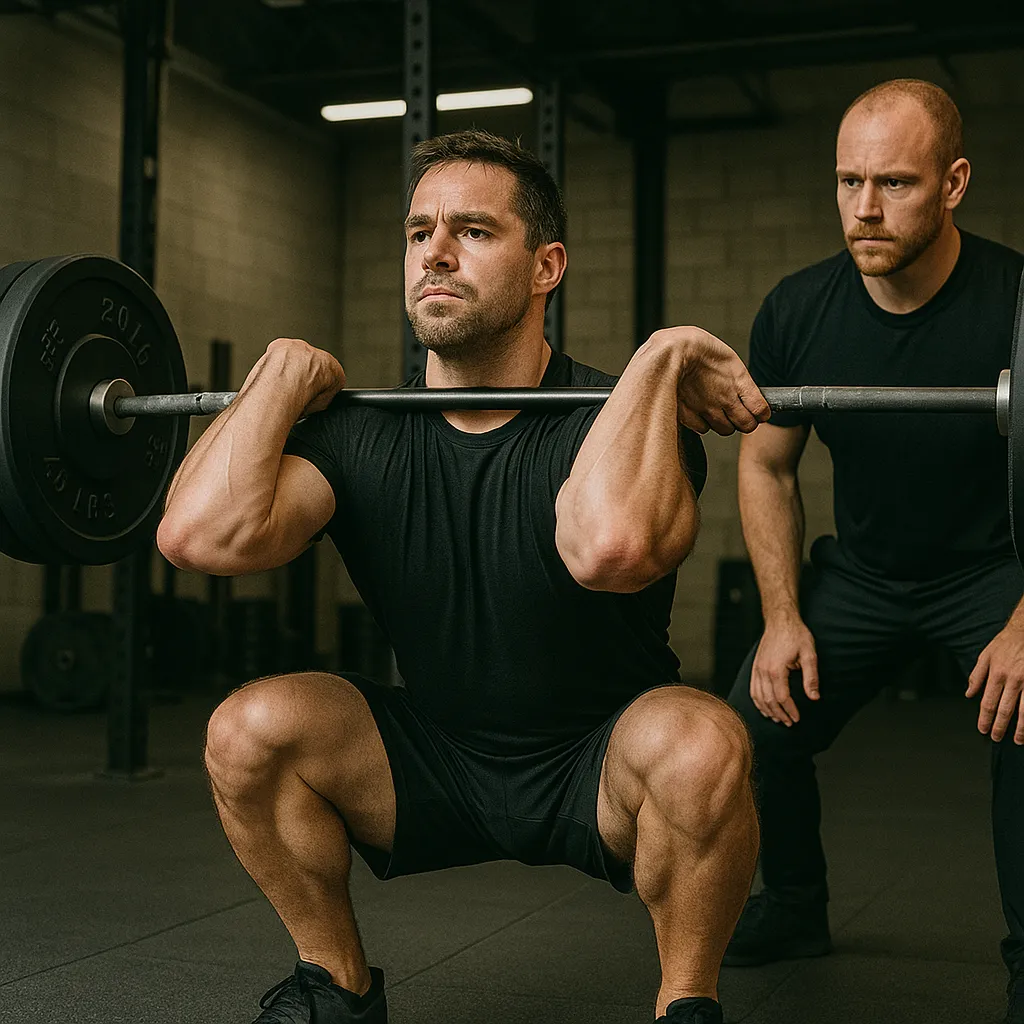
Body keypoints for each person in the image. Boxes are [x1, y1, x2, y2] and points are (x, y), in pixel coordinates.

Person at [158, 129, 771, 1024]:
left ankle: (687, 1005)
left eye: (474, 232)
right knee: (247, 730)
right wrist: (275, 379)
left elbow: (612, 549)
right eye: (418, 233)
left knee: (704, 741)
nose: (435, 254)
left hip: (599, 761)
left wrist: (664, 354)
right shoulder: (361, 434)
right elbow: (195, 538)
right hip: (431, 759)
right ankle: (337, 986)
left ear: (546, 265)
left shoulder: (627, 420)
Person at [725, 79, 1024, 1024]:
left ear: (955, 182)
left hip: (996, 572)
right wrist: (780, 618)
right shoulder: (801, 309)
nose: (864, 208)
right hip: (862, 573)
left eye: (894, 182)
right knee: (750, 727)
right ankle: (798, 907)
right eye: (849, 180)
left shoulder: (1017, 302)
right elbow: (766, 467)